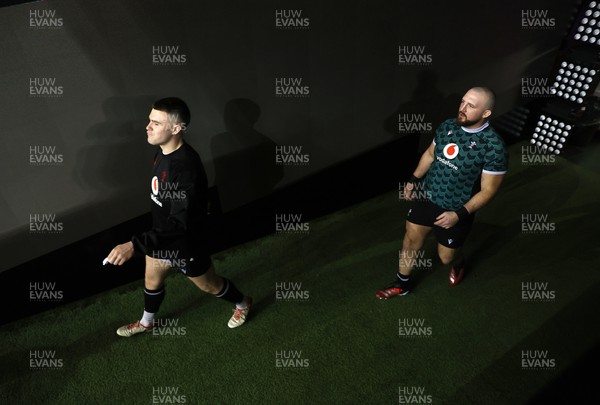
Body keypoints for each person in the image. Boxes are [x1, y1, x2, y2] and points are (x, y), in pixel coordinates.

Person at [105, 97, 252, 336]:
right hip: (160, 237)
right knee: (151, 280)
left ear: (175, 129)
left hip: (185, 243)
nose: (147, 127)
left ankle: (243, 303)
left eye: (156, 123)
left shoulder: (186, 169)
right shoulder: (161, 153)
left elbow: (179, 223)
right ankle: (146, 322)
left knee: (210, 285)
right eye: (149, 120)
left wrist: (134, 245)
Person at [376, 87, 508, 299]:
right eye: (463, 102)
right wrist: (413, 180)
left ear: (486, 113)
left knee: (445, 257)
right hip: (427, 197)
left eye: (471, 106)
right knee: (410, 239)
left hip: (456, 210)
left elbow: (489, 190)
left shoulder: (493, 147)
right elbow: (429, 154)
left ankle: (459, 261)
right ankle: (402, 285)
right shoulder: (448, 125)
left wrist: (460, 214)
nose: (462, 109)